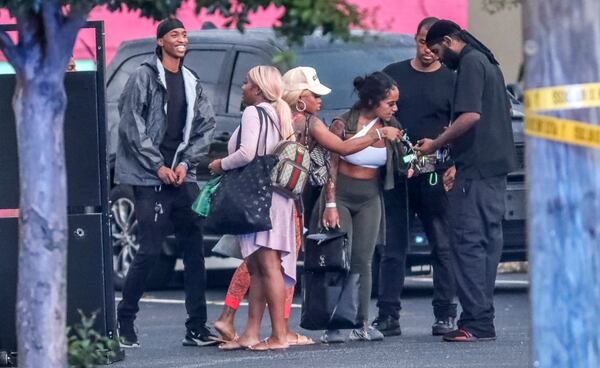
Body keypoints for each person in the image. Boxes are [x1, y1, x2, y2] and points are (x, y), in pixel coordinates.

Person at [212, 66, 402, 346]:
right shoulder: (304, 121)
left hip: (255, 195)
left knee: (259, 265)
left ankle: (249, 328)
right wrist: (376, 136)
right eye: (314, 95)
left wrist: (221, 164)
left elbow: (243, 149)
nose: (320, 101)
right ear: (300, 98)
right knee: (275, 266)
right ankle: (278, 332)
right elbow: (341, 148)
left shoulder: (271, 114)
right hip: (280, 199)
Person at [114, 18, 217, 348]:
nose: (182, 38)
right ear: (160, 41)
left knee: (194, 250)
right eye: (175, 34)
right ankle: (125, 321)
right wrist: (158, 166)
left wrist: (186, 163)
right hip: (149, 177)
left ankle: (196, 326)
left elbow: (205, 126)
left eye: (184, 34)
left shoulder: (190, 80)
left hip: (183, 176)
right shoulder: (143, 77)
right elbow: (132, 126)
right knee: (149, 251)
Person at [415, 19, 517, 342]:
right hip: (495, 169)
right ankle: (482, 318)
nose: (438, 58)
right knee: (487, 242)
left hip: (474, 171)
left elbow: (470, 116)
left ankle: (475, 321)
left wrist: (436, 143)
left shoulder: (471, 64)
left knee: (467, 242)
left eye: (437, 50)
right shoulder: (489, 62)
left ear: (448, 40)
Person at [372, 16, 458, 337]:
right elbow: (373, 113)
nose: (427, 50)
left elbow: (460, 125)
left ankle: (446, 312)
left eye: (433, 44)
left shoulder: (451, 80)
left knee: (441, 243)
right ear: (415, 39)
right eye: (422, 42)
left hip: (434, 171)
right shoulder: (393, 73)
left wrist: (455, 164)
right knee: (393, 244)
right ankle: (388, 314)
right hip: (397, 171)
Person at [207, 65, 296, 351]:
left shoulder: (253, 112)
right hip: (274, 196)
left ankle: (279, 335)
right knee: (258, 266)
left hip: (259, 196)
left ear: (257, 89)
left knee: (267, 266)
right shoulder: (277, 113)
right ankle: (251, 333)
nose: (242, 87)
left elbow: (248, 153)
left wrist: (220, 164)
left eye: (246, 83)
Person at [320, 71, 404, 343]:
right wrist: (330, 203)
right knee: (338, 260)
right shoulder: (343, 123)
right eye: (390, 103)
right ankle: (331, 323)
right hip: (341, 195)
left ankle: (362, 322)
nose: (395, 108)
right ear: (372, 101)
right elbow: (333, 161)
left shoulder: (391, 125)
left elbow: (406, 159)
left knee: (363, 260)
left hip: (370, 197)